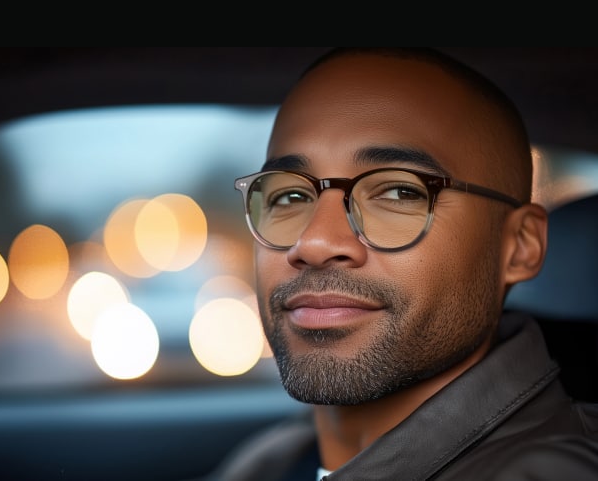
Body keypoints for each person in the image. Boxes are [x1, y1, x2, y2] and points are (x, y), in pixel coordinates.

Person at [194, 47, 598, 480]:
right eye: (289, 196)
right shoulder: (273, 458)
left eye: (399, 193)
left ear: (519, 247)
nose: (313, 241)